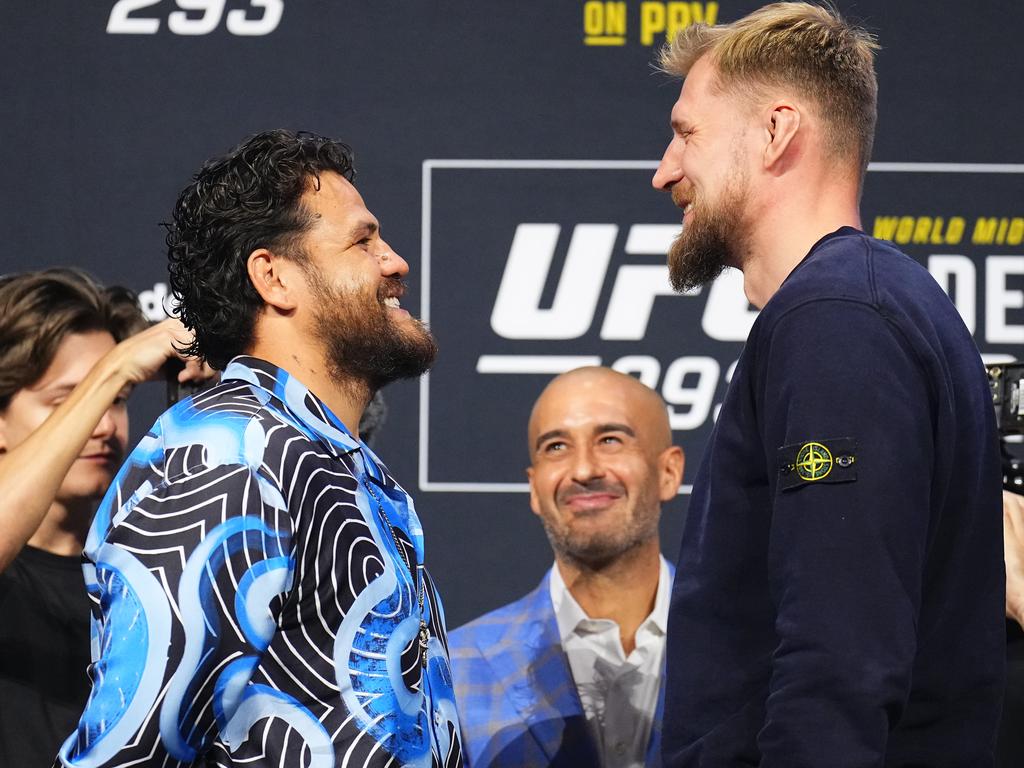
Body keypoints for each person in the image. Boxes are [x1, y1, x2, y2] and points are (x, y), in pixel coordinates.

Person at [650, 4, 1004, 765]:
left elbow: (839, 660)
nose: (664, 171)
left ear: (776, 132)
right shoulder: (856, 306)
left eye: (687, 134)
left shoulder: (837, 320)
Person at [56, 130, 462, 767]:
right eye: (363, 240)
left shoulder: (328, 460)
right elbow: (128, 752)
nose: (395, 262)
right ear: (274, 277)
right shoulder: (231, 455)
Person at [0, 268, 202, 768]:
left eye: (119, 399)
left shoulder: (144, 565)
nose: (106, 425)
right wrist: (113, 369)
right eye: (67, 398)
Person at [449, 366, 684, 767]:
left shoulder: (751, 651)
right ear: (534, 487)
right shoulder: (453, 670)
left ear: (668, 473)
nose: (583, 470)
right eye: (556, 447)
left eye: (610, 440)